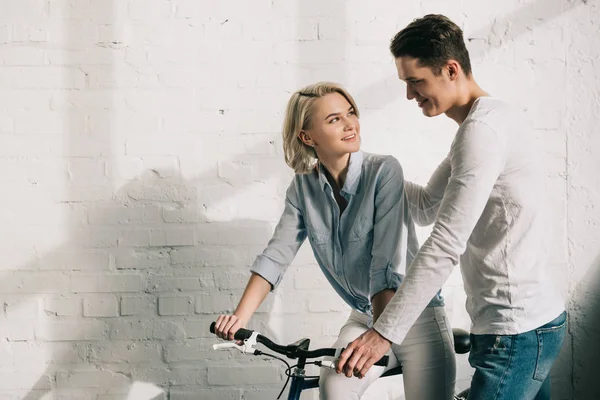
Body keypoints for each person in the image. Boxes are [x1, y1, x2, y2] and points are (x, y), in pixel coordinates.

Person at [336, 14, 566, 400]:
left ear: (451, 69)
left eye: (416, 81)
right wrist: (360, 172)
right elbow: (426, 205)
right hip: (526, 324)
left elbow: (445, 243)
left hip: (515, 332)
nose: (410, 94)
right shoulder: (482, 124)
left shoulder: (483, 132)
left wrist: (383, 333)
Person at [212, 81, 456, 399]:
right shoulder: (302, 189)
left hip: (416, 316)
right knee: (334, 387)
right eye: (334, 119)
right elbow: (276, 255)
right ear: (307, 136)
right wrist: (239, 320)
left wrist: (379, 335)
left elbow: (386, 264)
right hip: (365, 313)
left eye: (350, 113)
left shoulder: (383, 171)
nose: (349, 123)